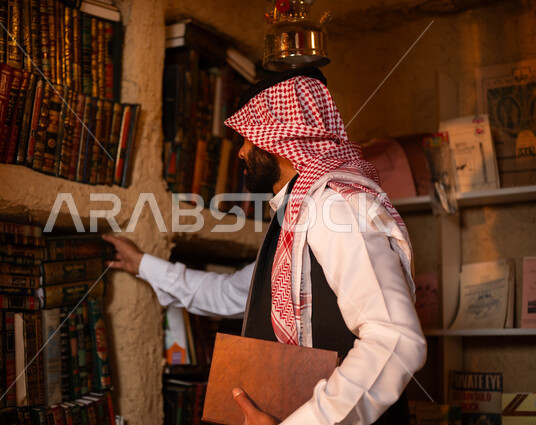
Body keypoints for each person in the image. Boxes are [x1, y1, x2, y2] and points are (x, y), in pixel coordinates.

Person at [103, 66, 427, 425]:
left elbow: (396, 340)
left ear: (277, 138)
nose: (241, 153)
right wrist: (143, 265)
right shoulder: (295, 215)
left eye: (246, 139)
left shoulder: (332, 207)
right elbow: (231, 294)